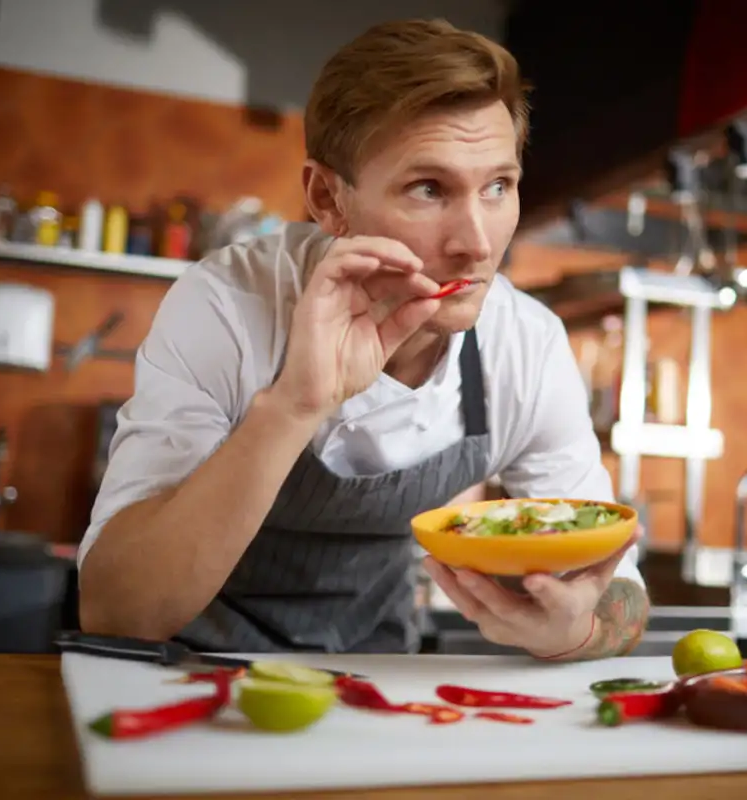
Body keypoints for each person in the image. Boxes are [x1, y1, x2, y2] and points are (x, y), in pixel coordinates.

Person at [78, 18, 650, 661]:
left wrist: (577, 630)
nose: (478, 243)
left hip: (373, 676)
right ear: (328, 199)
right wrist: (294, 404)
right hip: (181, 676)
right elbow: (115, 609)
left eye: (498, 186)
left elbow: (619, 590)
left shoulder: (526, 347)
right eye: (429, 189)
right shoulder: (230, 307)